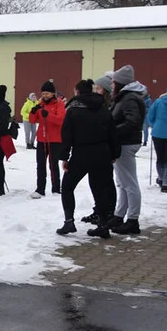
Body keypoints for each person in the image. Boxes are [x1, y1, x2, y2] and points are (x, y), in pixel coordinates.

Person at [56, 80, 120, 238]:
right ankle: (103, 225)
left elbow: (67, 135)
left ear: (77, 92)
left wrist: (64, 156)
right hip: (103, 153)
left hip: (81, 153)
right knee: (100, 189)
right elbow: (113, 132)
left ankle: (69, 222)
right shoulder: (103, 108)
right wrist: (114, 154)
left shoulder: (73, 110)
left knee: (68, 186)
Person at [105, 65, 147, 234]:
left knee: (129, 182)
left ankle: (133, 219)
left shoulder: (129, 98)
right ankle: (119, 215)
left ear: (120, 83)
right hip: (122, 142)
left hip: (126, 143)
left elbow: (133, 121)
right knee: (122, 182)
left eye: (114, 82)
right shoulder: (126, 97)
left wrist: (113, 131)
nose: (112, 85)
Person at [28, 81, 67, 198]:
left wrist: (48, 115)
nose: (45, 96)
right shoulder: (40, 104)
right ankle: (40, 188)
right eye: (43, 93)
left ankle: (56, 188)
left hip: (54, 139)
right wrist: (33, 112)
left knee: (53, 164)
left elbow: (61, 120)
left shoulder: (59, 104)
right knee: (40, 164)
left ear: (53, 94)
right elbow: (32, 120)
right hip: (42, 139)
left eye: (47, 93)